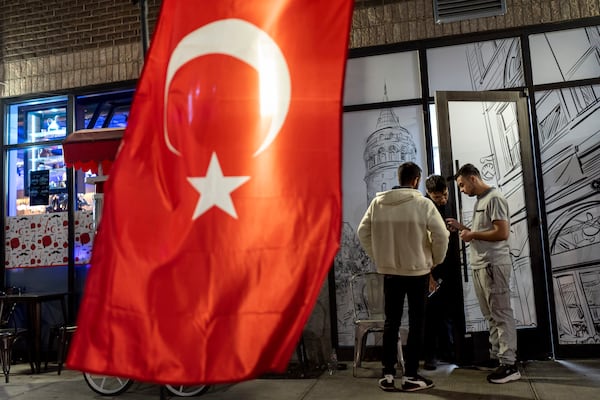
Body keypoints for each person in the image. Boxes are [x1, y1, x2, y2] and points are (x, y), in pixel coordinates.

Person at [357, 162, 449, 392]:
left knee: (392, 322)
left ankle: (387, 374)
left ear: (399, 178)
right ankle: (410, 376)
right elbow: (442, 235)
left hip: (390, 272)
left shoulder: (377, 203)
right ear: (416, 180)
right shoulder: (423, 204)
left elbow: (362, 232)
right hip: (417, 271)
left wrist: (379, 256)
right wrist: (435, 259)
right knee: (417, 323)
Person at [446, 163, 521, 384]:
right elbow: (481, 232)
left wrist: (471, 234)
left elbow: (502, 232)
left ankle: (509, 364)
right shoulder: (482, 201)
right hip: (482, 265)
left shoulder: (494, 198)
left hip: (492, 264)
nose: (461, 190)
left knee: (500, 313)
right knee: (491, 315)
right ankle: (498, 358)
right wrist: (462, 228)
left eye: (461, 185)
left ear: (473, 178)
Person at [423, 175, 465, 370]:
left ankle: (450, 353)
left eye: (445, 194)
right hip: (431, 269)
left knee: (448, 312)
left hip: (450, 268)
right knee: (430, 315)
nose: (443, 199)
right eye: (438, 197)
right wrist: (429, 275)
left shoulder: (449, 204)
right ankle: (430, 356)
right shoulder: (423, 208)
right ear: (429, 194)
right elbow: (421, 244)